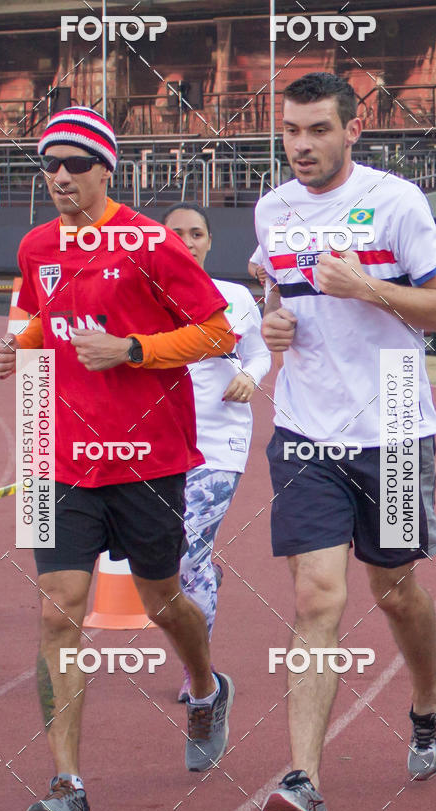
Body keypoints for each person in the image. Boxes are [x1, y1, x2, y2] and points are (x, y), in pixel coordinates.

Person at [0, 107, 236, 811]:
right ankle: (67, 786)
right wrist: (17, 350)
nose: (59, 175)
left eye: (74, 163)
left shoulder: (152, 244)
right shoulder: (36, 245)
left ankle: (205, 686)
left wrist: (133, 350)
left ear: (105, 170)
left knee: (162, 601)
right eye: (49, 164)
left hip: (147, 458)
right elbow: (39, 317)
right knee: (56, 610)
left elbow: (218, 330)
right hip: (57, 457)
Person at [254, 72, 436, 811]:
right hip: (306, 427)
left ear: (352, 130)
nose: (302, 145)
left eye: (318, 130)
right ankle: (303, 781)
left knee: (396, 590)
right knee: (317, 597)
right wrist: (274, 323)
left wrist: (367, 287)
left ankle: (428, 698)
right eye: (291, 130)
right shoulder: (272, 209)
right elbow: (278, 295)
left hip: (396, 417)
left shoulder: (396, 202)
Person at [162, 202, 271, 702]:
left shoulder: (232, 297)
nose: (187, 242)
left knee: (186, 558)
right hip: (156, 446)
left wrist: (249, 376)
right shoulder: (140, 296)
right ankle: (207, 569)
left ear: (209, 241)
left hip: (217, 443)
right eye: (176, 233)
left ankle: (197, 672)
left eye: (196, 233)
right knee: (159, 561)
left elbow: (260, 353)